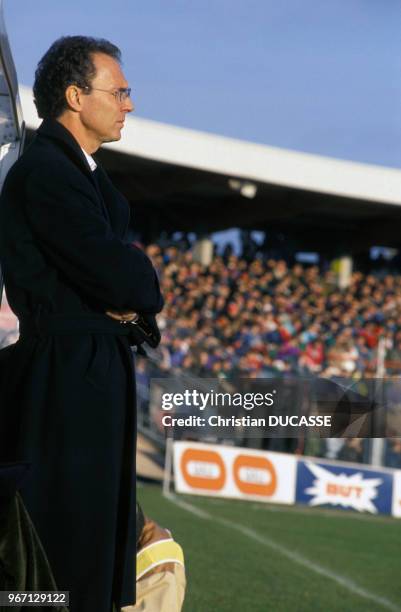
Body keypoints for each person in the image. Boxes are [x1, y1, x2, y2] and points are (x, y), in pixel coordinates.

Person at [0, 36, 163, 612]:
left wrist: (127, 292)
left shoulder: (82, 175)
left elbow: (123, 286)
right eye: (119, 91)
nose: (129, 104)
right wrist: (132, 286)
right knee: (61, 549)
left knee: (91, 543)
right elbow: (125, 280)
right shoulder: (48, 170)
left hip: (86, 370)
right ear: (75, 95)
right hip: (67, 379)